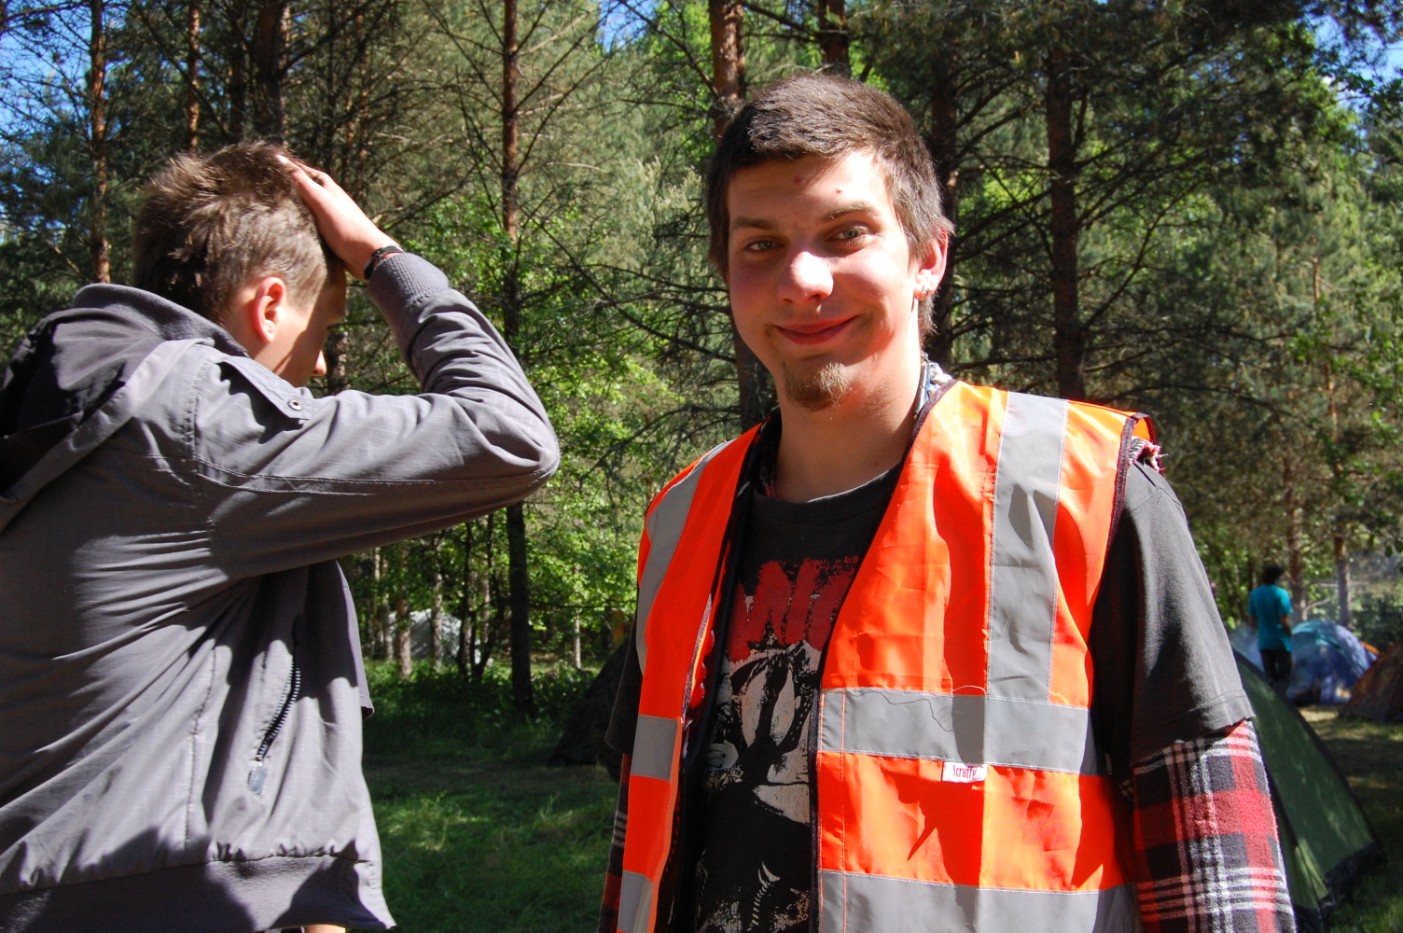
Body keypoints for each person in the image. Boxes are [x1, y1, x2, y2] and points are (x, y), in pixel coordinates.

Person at [598, 74, 1295, 933]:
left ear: (928, 256)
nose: (800, 279)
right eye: (760, 244)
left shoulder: (1085, 489)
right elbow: (639, 843)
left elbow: (1212, 860)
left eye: (845, 233)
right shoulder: (680, 519)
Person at [0, 143, 559, 932]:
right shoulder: (193, 425)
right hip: (181, 903)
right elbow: (510, 436)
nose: (322, 361)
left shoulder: (71, 410)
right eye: (323, 324)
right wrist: (381, 258)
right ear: (268, 304)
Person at [1250, 564, 1295, 690]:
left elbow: (1252, 620)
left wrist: (1260, 632)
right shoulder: (1281, 594)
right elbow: (1284, 621)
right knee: (1284, 678)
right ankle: (1282, 700)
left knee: (1269, 678)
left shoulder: (1255, 594)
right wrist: (1290, 634)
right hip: (1281, 642)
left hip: (1264, 642)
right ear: (1277, 578)